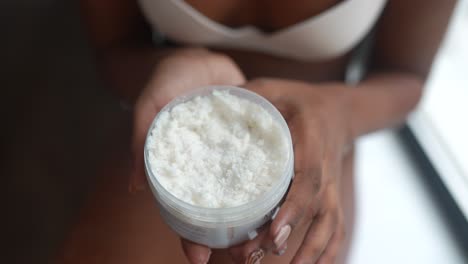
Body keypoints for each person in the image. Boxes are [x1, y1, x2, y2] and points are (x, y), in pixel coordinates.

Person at [71, 0, 456, 263]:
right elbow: (115, 49)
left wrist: (338, 112)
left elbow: (406, 78)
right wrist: (170, 63)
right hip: (176, 149)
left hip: (315, 155)